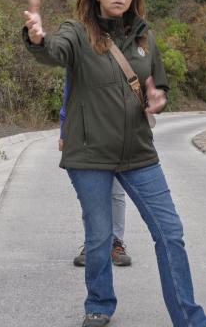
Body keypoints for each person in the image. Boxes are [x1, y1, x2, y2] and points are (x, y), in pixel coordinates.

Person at [22, 0, 206, 327]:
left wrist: (158, 98)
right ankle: (99, 303)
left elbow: (158, 81)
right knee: (99, 236)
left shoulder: (145, 36)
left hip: (139, 153)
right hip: (90, 154)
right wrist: (36, 38)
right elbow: (53, 51)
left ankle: (189, 318)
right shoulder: (76, 32)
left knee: (169, 233)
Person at [59, 75, 133, 268]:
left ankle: (116, 242)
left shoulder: (120, 50)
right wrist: (63, 130)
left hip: (118, 131)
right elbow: (69, 93)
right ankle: (93, 242)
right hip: (86, 133)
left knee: (116, 191)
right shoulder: (79, 52)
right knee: (90, 193)